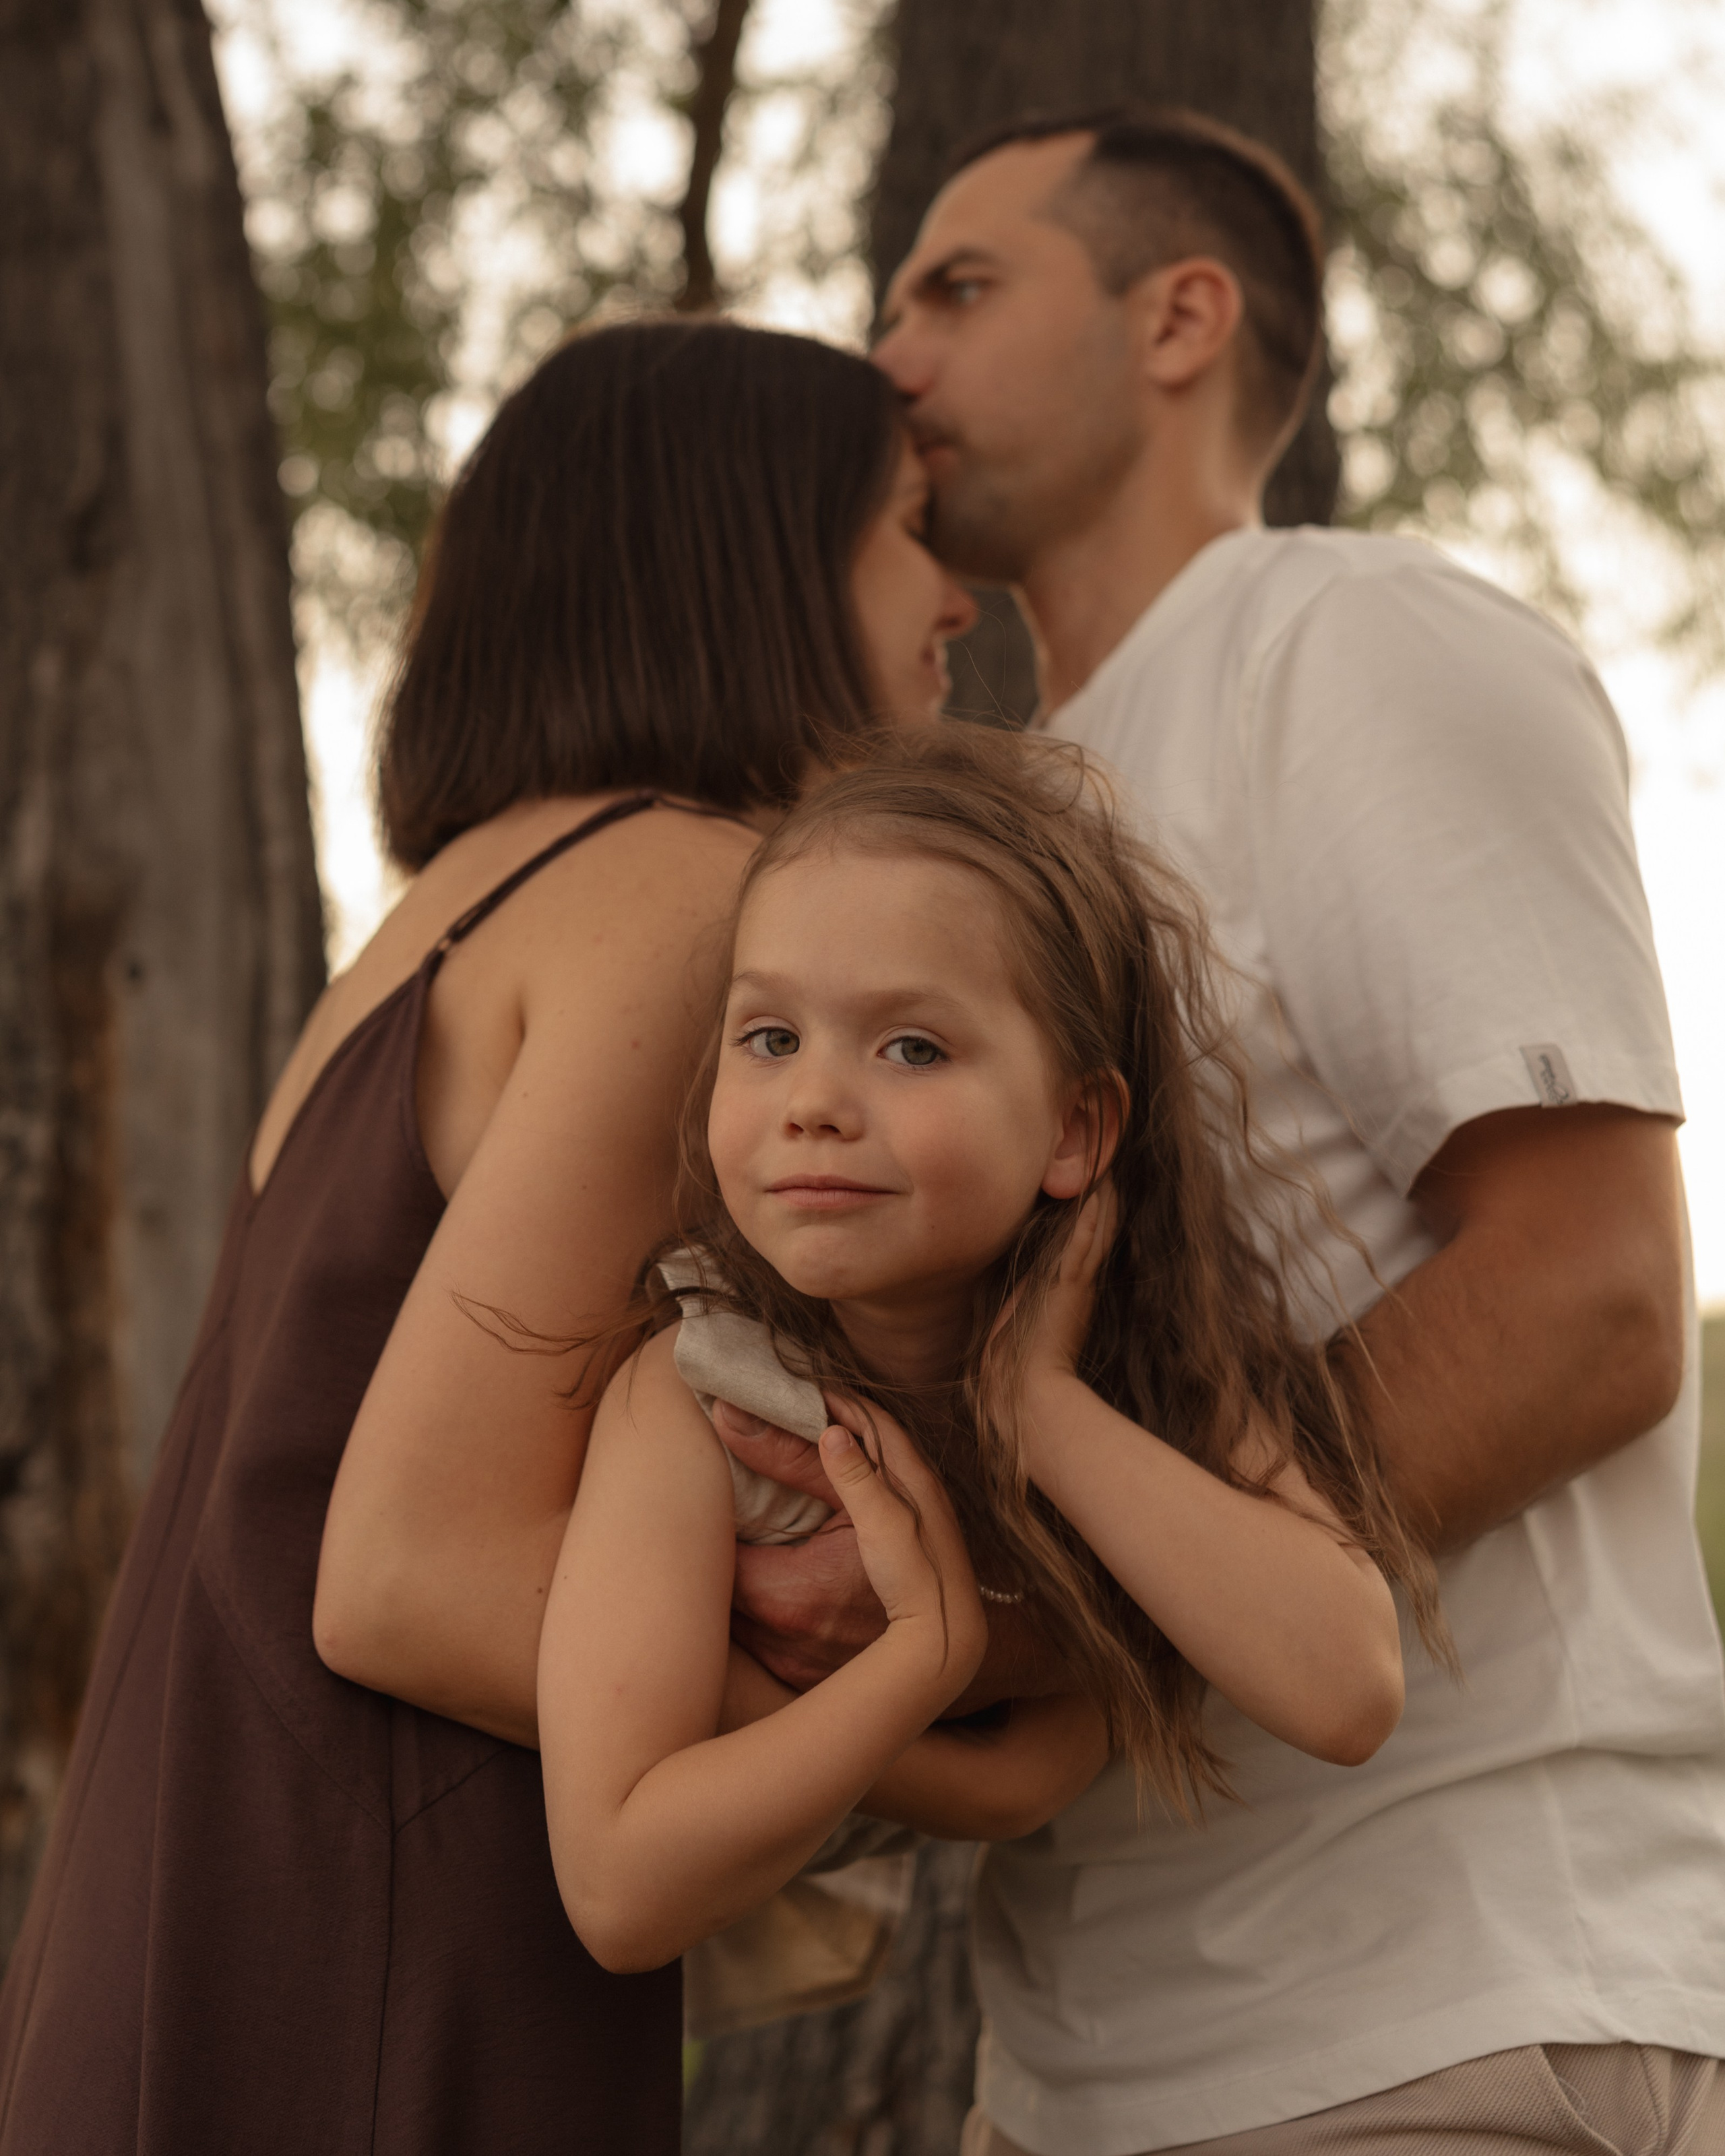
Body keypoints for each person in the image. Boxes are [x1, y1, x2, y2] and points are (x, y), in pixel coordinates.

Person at [724, 107, 1725, 2155]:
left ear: (1181, 318)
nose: (886, 355)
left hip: (1446, 2001)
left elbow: (1598, 1294)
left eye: (959, 290)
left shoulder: (1347, 643)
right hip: (1099, 2055)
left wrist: (994, 1613)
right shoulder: (1000, 804)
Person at [0, 317, 974, 2155]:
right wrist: (949, 1734)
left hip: (196, 1919)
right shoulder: (689, 895)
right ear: (751, 546)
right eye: (911, 526)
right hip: (373, 1946)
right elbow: (407, 1577)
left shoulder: (451, 909)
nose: (957, 601)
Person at [535, 724, 1426, 1980]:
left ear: (1075, 1127)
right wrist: (919, 1659)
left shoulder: (1150, 1350)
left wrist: (1041, 1409)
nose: (814, 1101)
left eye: (912, 1048)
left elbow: (1346, 1686)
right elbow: (619, 1888)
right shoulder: (702, 1398)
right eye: (770, 1037)